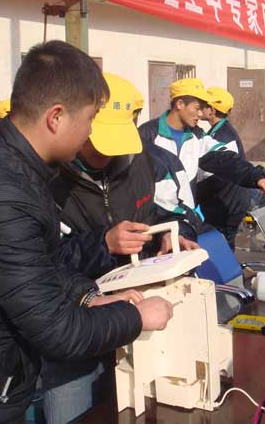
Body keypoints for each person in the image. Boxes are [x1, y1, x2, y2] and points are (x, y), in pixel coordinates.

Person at [0, 40, 173, 424]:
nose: (89, 133)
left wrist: (90, 296)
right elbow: (57, 331)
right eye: (90, 119)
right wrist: (137, 317)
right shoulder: (1, 191)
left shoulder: (16, 162)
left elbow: (41, 262)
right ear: (56, 117)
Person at [44, 72, 201, 424]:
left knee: (138, 409)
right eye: (99, 142)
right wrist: (104, 243)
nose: (106, 154)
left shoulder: (142, 161)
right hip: (76, 325)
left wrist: (170, 233)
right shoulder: (49, 177)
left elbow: (166, 211)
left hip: (138, 313)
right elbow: (43, 260)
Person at [139, 78, 265, 217]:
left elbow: (225, 159)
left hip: (185, 218)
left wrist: (255, 177)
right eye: (197, 108)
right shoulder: (147, 134)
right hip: (154, 220)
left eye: (202, 109)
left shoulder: (197, 137)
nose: (200, 114)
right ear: (180, 104)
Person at [196, 87, 250, 249]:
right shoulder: (219, 131)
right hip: (226, 201)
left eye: (204, 105)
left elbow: (217, 177)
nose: (199, 108)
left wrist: (193, 194)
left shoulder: (224, 137)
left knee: (222, 246)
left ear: (212, 110)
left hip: (228, 204)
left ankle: (229, 265)